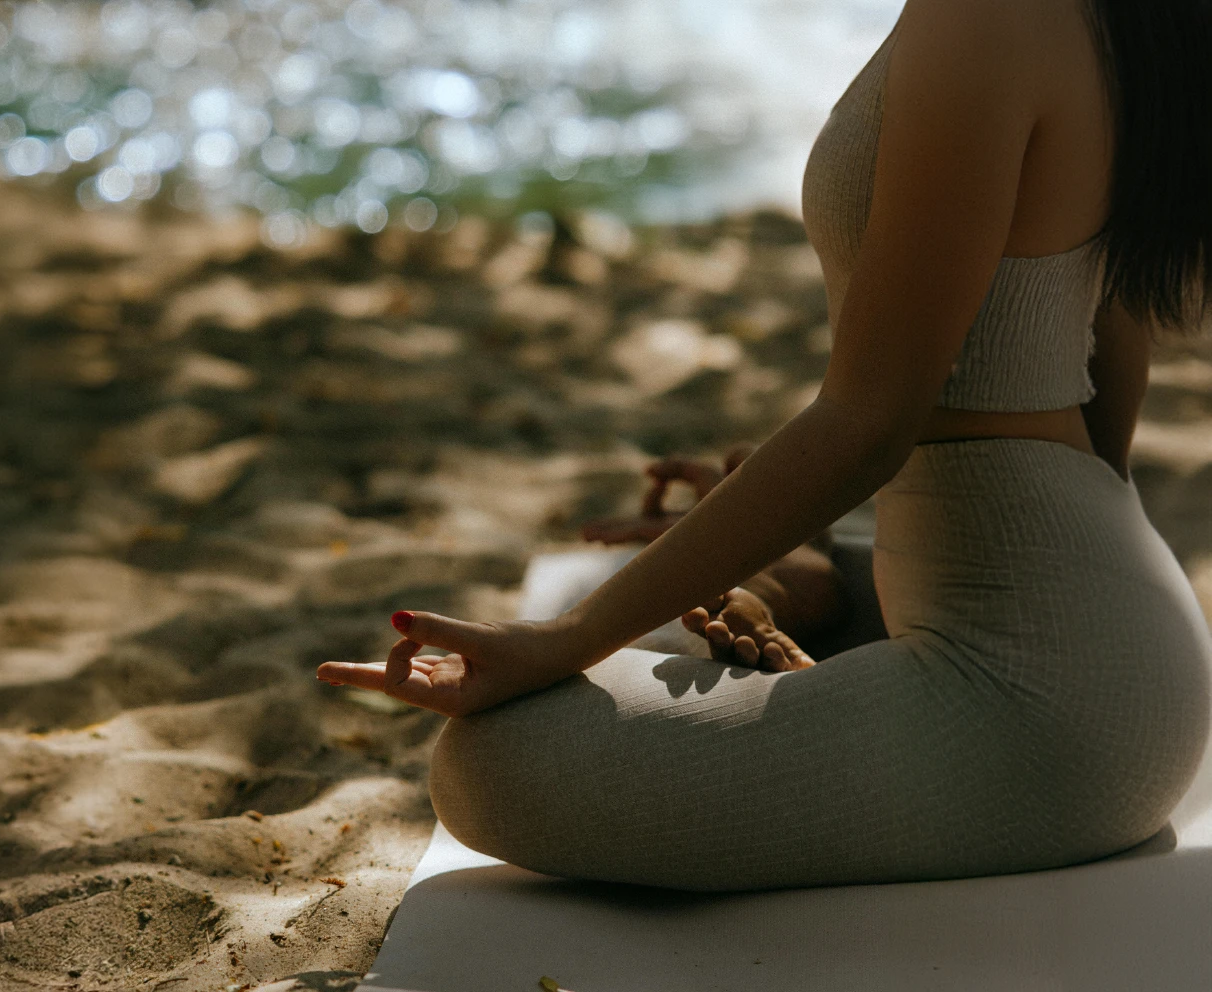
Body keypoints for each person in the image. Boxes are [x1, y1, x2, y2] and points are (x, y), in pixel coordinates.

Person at [316, 0, 1212, 891]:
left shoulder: (987, 14)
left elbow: (869, 423)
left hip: (1046, 709)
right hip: (1118, 622)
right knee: (710, 606)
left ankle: (827, 588)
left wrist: (564, 639)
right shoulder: (1118, 19)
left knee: (493, 762)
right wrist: (812, 530)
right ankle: (823, 584)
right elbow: (1105, 363)